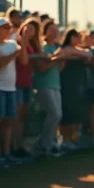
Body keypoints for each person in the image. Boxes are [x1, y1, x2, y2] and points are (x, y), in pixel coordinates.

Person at [0, 17, 27, 166]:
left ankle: (6, 153)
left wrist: (22, 45)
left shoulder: (12, 44)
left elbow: (23, 61)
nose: (8, 30)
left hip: (11, 87)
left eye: (9, 27)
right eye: (4, 27)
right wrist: (14, 54)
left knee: (8, 121)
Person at [33, 20, 66, 156]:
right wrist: (56, 58)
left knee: (57, 115)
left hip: (55, 84)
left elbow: (60, 68)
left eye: (56, 29)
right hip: (44, 85)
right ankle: (43, 145)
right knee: (54, 114)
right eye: (51, 29)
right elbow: (41, 67)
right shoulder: (43, 47)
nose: (55, 32)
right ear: (45, 31)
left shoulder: (55, 47)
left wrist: (60, 59)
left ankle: (47, 143)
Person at [59, 28, 91, 149]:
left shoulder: (79, 50)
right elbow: (65, 52)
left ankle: (72, 138)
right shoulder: (63, 48)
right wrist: (76, 53)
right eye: (75, 36)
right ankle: (64, 139)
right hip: (66, 85)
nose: (78, 39)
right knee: (67, 112)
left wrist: (75, 53)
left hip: (78, 86)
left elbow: (88, 55)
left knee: (75, 112)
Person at [13, 18, 39, 157]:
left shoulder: (33, 45)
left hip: (27, 83)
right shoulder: (18, 43)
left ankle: (21, 145)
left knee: (23, 116)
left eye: (32, 30)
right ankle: (14, 146)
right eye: (26, 28)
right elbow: (23, 61)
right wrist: (23, 43)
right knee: (16, 117)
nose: (29, 31)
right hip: (17, 83)